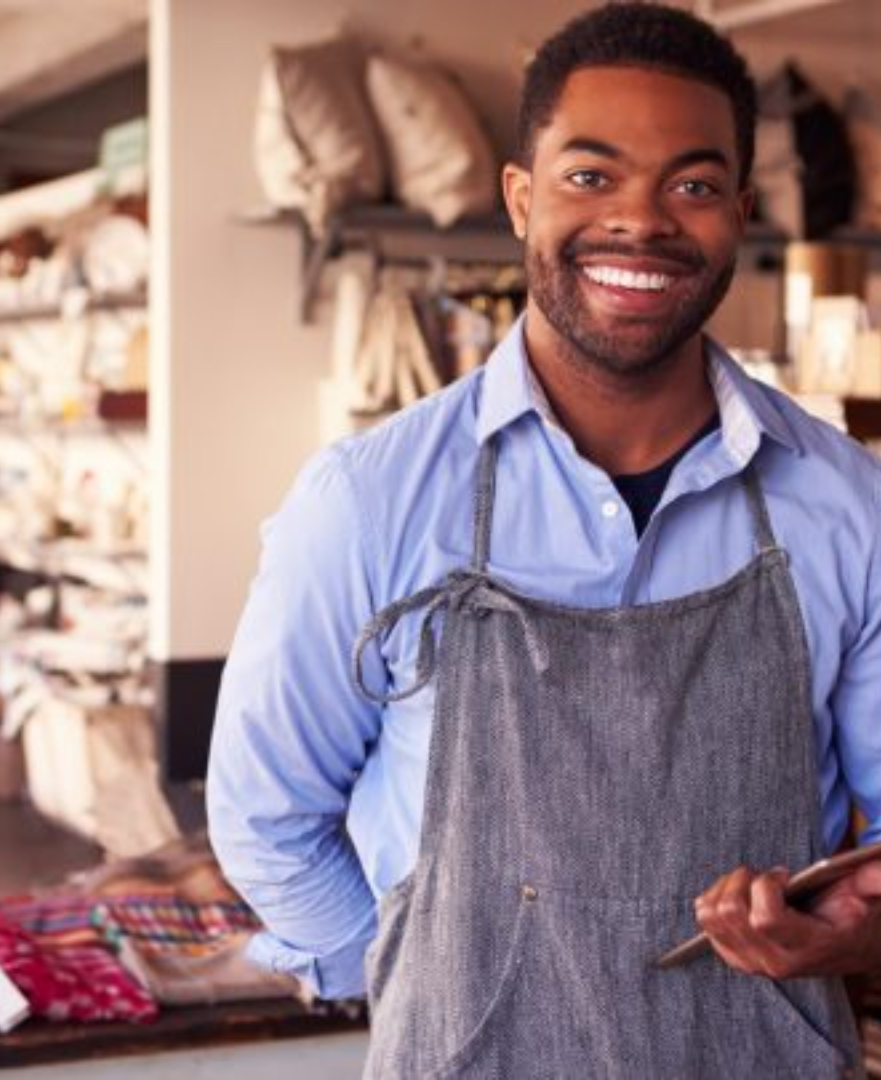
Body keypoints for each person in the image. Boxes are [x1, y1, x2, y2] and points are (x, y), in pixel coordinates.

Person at [207, 3, 881, 1076]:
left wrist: (850, 933)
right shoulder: (370, 500)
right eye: (590, 176)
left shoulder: (848, 505)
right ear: (520, 199)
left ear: (740, 214)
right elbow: (266, 816)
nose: (643, 221)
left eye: (694, 186)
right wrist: (418, 974)